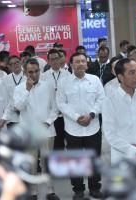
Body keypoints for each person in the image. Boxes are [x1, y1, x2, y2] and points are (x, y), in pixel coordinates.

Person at [56, 52, 105, 200]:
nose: (81, 64)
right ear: (71, 64)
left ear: (87, 63)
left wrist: (91, 115)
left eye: (83, 61)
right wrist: (76, 117)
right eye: (77, 61)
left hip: (93, 126)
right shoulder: (64, 82)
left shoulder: (95, 80)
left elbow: (101, 99)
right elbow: (61, 103)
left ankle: (95, 188)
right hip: (73, 128)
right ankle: (78, 190)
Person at [13, 58, 59, 200]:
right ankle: (32, 192)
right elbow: (19, 107)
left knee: (47, 163)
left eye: (36, 71)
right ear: (25, 72)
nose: (33, 74)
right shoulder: (19, 88)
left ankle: (50, 191)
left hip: (47, 130)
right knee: (30, 164)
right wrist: (27, 89)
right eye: (30, 72)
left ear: (40, 71)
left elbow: (54, 109)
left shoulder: (48, 86)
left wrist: (46, 123)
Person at [41, 49, 70, 150]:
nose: (55, 61)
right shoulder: (44, 76)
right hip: (52, 114)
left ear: (60, 59)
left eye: (56, 58)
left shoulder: (68, 75)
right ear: (48, 61)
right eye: (52, 59)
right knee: (57, 142)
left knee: (68, 140)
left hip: (65, 113)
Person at [3, 56, 26, 129]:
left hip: (27, 115)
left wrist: (22, 109)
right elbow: (6, 98)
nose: (15, 65)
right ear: (9, 66)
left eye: (16, 62)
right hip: (12, 116)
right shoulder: (6, 79)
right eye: (12, 64)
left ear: (20, 63)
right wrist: (15, 108)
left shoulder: (28, 76)